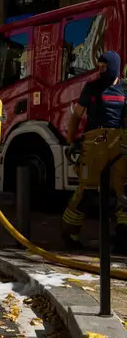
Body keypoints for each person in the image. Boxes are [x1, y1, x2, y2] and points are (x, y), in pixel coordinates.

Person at [62, 50, 127, 253]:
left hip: (119, 143)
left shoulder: (124, 89)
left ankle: (124, 235)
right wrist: (71, 142)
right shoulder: (91, 87)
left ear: (115, 67)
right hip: (94, 143)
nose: (100, 71)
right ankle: (69, 233)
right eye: (98, 67)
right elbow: (76, 117)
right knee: (87, 191)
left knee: (123, 192)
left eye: (104, 67)